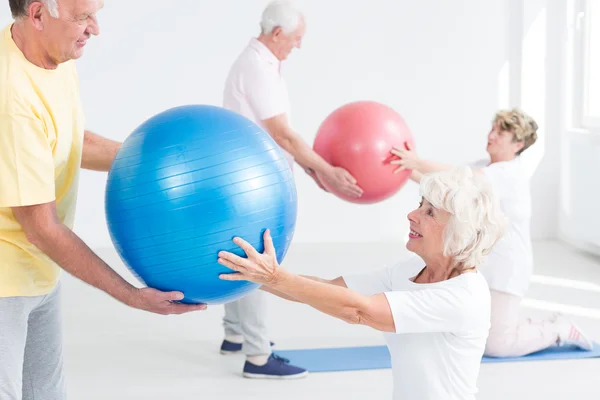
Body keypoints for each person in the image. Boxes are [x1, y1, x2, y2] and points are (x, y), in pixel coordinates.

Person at [0, 1, 205, 399]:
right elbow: (42, 228)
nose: (94, 29)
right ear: (39, 15)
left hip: (40, 269)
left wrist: (157, 164)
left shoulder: (52, 57)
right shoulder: (9, 96)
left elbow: (67, 141)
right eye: (82, 18)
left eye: (95, 15)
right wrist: (130, 295)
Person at [217, 167, 506, 399]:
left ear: (460, 232)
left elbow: (359, 311)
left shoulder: (464, 297)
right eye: (420, 204)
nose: (412, 214)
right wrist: (248, 273)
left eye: (430, 212)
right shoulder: (411, 271)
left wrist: (273, 276)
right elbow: (328, 289)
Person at [218, 0, 361, 379]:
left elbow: (276, 135)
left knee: (241, 254)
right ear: (277, 33)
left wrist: (311, 171)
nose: (298, 46)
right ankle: (258, 357)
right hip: (255, 181)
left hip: (254, 175)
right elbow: (282, 133)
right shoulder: (257, 67)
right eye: (296, 39)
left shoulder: (263, 63)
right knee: (259, 262)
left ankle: (234, 336)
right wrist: (327, 170)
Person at [389, 107, 594, 357]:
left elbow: (458, 177)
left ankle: (560, 329)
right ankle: (520, 323)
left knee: (498, 345)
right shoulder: (481, 167)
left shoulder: (509, 175)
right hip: (479, 262)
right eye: (493, 129)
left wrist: (416, 161)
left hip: (507, 268)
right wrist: (400, 170)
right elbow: (442, 184)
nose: (492, 135)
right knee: (466, 324)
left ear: (518, 144)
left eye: (501, 133)